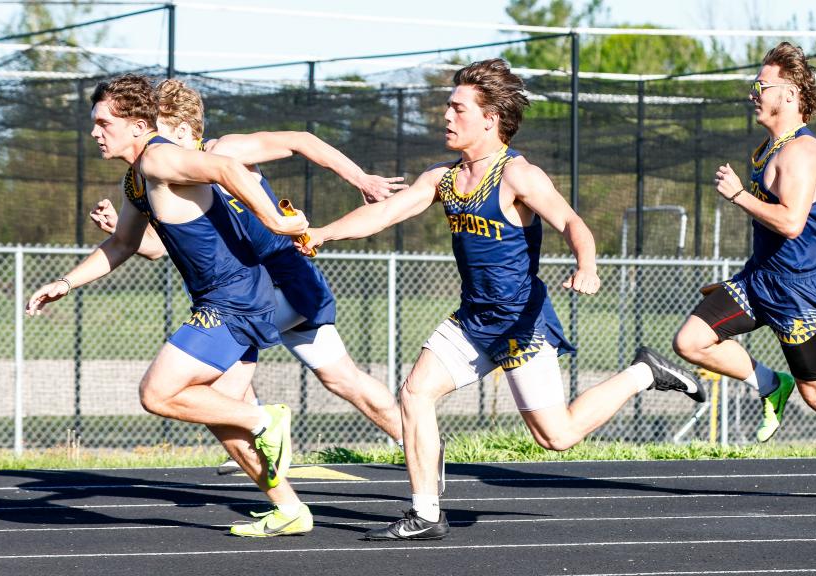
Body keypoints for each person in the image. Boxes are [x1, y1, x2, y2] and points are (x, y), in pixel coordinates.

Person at [298, 58, 706, 541]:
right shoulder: (444, 178)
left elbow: (573, 223)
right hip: (473, 320)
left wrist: (587, 265)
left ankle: (645, 372)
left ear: (490, 118)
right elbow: (384, 214)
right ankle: (426, 513)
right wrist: (321, 233)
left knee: (557, 436)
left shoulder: (518, 175)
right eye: (447, 108)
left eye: (458, 108)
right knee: (414, 392)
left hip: (520, 323)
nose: (446, 117)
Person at [25, 74, 312, 537]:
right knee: (222, 416)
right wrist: (65, 282)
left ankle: (267, 417)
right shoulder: (136, 177)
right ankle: (290, 509)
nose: (95, 132)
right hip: (231, 295)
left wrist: (277, 221)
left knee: (157, 393)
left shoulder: (159, 155)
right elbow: (122, 244)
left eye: (104, 122)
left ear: (139, 124)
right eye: (94, 122)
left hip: (232, 297)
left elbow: (227, 169)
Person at [88, 79, 406, 478]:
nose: (151, 147)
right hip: (258, 290)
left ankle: (260, 434)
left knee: (216, 358)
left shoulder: (222, 152)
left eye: (159, 134)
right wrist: (120, 231)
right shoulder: (169, 186)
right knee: (343, 378)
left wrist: (363, 179)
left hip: (287, 283)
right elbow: (156, 248)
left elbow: (302, 140)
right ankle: (419, 444)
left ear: (183, 132)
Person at [671, 42, 816, 504]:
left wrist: (739, 195)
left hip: (797, 291)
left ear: (791, 93)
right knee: (690, 341)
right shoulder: (768, 146)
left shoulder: (801, 152)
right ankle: (768, 384)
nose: (753, 93)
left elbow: (792, 222)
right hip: (759, 279)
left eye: (762, 85)